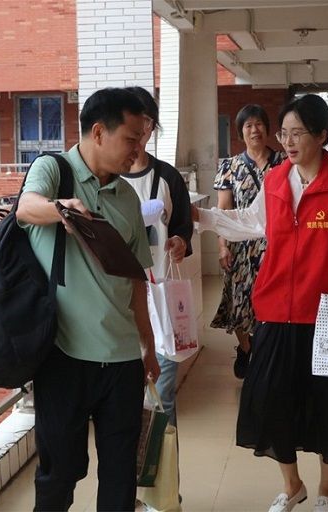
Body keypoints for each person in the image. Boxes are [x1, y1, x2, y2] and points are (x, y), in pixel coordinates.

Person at [192, 94, 328, 512]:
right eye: (284, 133)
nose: (289, 142)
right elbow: (250, 222)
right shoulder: (276, 180)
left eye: (298, 133)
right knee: (272, 400)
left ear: (322, 135)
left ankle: (327, 492)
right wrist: (202, 218)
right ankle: (292, 485)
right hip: (276, 310)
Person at [16, 87, 161, 512]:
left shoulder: (128, 197)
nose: (137, 151)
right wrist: (63, 209)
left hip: (122, 360)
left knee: (120, 475)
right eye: (131, 139)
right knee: (59, 473)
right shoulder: (53, 169)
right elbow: (25, 208)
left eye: (142, 140)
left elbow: (136, 279)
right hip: (64, 356)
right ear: (98, 132)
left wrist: (148, 345)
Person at [121, 86, 193, 428]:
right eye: (133, 121)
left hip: (160, 302)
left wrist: (180, 242)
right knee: (124, 400)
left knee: (163, 397)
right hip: (117, 304)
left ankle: (162, 460)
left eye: (147, 121)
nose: (140, 130)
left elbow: (183, 227)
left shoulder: (168, 177)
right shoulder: (103, 179)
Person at [210, 104, 283, 379]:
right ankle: (245, 346)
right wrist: (222, 246)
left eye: (259, 124)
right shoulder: (230, 167)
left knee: (273, 300)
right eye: (248, 125)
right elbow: (224, 211)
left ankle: (267, 351)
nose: (255, 130)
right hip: (240, 246)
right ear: (241, 132)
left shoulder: (284, 163)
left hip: (276, 245)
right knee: (240, 300)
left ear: (268, 128)